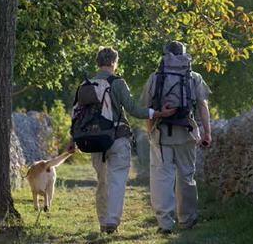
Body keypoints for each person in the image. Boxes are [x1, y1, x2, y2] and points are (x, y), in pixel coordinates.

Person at [67, 46, 175, 234]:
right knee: (116, 182)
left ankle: (103, 222)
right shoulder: (117, 83)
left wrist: (71, 141)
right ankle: (111, 222)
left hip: (93, 142)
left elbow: (76, 115)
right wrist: (157, 113)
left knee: (102, 182)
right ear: (115, 62)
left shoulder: (86, 84)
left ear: (97, 62)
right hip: (117, 139)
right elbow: (133, 108)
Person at [140, 41, 212, 234]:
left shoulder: (155, 77)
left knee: (162, 178)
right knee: (186, 176)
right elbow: (203, 106)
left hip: (161, 134)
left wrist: (150, 130)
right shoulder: (194, 77)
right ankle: (187, 220)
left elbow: (147, 108)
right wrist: (207, 132)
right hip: (187, 133)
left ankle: (165, 223)